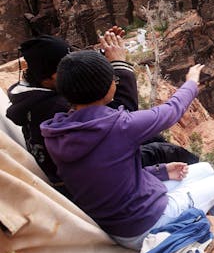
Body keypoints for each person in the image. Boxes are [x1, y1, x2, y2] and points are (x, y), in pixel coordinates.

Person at [41, 50, 214, 249]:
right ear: (107, 90)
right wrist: (191, 83)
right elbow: (170, 111)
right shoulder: (117, 127)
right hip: (146, 224)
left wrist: (161, 172)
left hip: (121, 220)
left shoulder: (58, 132)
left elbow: (107, 177)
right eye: (114, 80)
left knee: (205, 169)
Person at [6, 30, 198, 195]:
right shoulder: (54, 107)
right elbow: (120, 116)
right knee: (165, 151)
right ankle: (196, 178)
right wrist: (118, 65)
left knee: (152, 138)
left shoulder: (34, 96)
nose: (70, 71)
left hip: (83, 164)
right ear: (47, 78)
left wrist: (100, 59)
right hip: (86, 179)